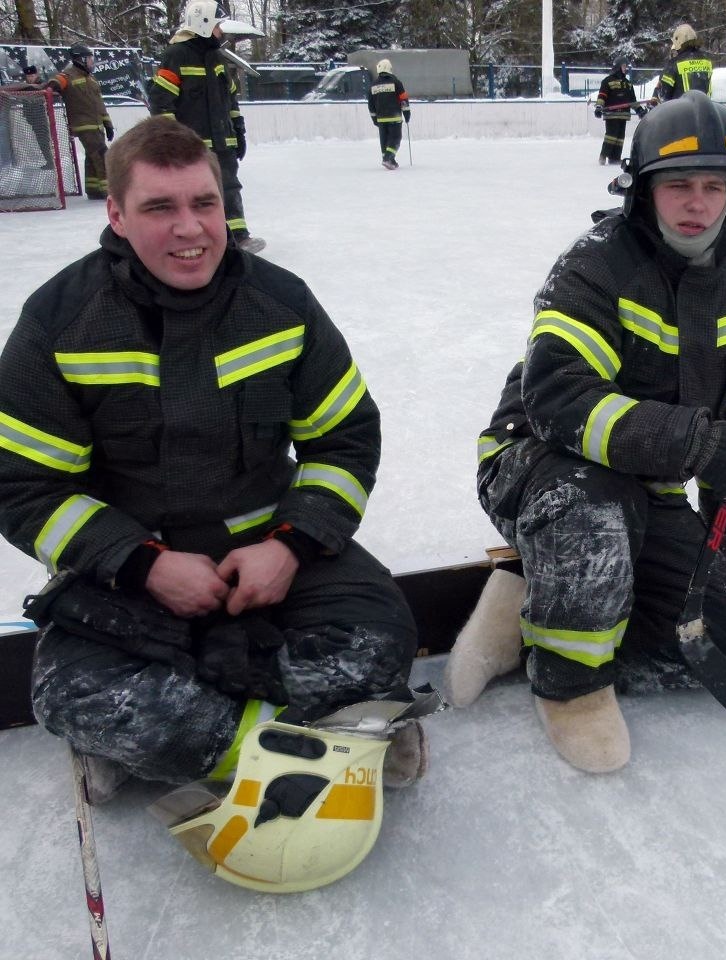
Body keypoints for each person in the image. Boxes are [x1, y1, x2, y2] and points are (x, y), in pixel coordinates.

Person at [0, 117, 424, 814]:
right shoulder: (59, 322)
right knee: (71, 694)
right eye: (159, 208)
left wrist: (288, 547)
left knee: (384, 641)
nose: (191, 228)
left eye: (204, 203)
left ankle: (190, 739)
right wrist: (142, 563)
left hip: (274, 553)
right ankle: (329, 739)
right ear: (115, 213)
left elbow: (343, 442)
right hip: (128, 572)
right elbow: (25, 487)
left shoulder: (282, 304)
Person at [447, 91, 726, 773]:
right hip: (539, 461)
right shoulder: (595, 265)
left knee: (716, 640)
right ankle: (570, 684)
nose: (698, 202)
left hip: (647, 482)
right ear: (643, 188)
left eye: (715, 185)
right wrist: (697, 446)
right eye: (679, 184)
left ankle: (526, 616)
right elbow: (559, 398)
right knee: (598, 502)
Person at [150, 0, 265, 252]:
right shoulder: (176, 56)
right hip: (192, 147)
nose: (221, 31)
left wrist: (239, 131)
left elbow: (231, 100)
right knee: (197, 194)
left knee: (230, 186)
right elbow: (161, 103)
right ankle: (204, 238)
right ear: (202, 24)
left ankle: (238, 236)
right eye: (218, 26)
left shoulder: (219, 58)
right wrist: (172, 140)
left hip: (224, 142)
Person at [47, 44, 113, 199]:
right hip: (83, 124)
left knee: (92, 156)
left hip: (96, 124)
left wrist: (107, 123)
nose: (92, 62)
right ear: (81, 59)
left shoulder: (91, 79)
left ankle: (94, 189)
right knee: (101, 154)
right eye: (90, 59)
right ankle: (110, 190)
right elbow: (52, 84)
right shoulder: (67, 76)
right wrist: (53, 88)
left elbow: (99, 103)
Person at [648, 23, 713, 106]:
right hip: (704, 111)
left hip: (681, 114)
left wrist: (655, 95)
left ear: (679, 41)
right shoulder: (707, 60)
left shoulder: (674, 64)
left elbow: (663, 95)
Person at [593, 61, 644, 166]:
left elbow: (632, 100)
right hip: (612, 114)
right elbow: (602, 95)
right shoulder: (607, 81)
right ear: (618, 67)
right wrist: (599, 106)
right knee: (611, 135)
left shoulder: (627, 83)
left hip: (623, 114)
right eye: (623, 66)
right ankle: (603, 155)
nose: (625, 68)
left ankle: (614, 158)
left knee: (620, 137)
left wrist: (639, 110)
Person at [367, 59, 410, 169]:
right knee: (395, 138)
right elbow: (403, 100)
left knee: (384, 140)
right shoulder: (396, 82)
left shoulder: (373, 85)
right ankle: (388, 159)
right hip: (394, 117)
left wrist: (374, 119)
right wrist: (407, 114)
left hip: (381, 119)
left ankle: (390, 160)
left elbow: (371, 105)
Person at [15, 64, 56, 170]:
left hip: (41, 117)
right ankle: (50, 161)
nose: (30, 78)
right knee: (41, 141)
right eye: (28, 76)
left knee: (44, 140)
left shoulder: (41, 84)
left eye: (32, 76)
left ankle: (51, 162)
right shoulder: (25, 86)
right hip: (32, 118)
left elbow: (43, 98)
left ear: (36, 75)